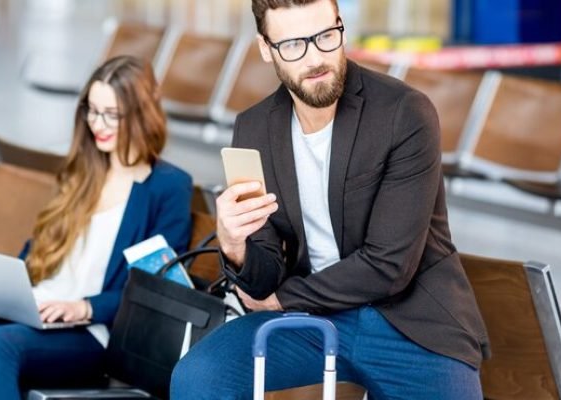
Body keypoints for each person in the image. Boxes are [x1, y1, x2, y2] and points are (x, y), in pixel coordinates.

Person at [170, 0, 488, 399]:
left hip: (410, 325)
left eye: (324, 36)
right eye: (292, 45)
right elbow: (263, 273)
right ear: (266, 48)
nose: (315, 57)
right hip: (308, 322)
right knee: (198, 377)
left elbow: (389, 265)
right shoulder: (253, 128)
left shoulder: (404, 113)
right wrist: (234, 246)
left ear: (341, 27)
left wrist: (282, 299)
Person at [0, 56, 193, 400]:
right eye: (92, 111)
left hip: (96, 331)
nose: (98, 124)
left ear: (142, 114)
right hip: (41, 307)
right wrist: (8, 286)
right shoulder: (84, 170)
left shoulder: (167, 187)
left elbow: (157, 288)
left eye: (112, 114)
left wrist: (85, 307)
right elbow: (39, 247)